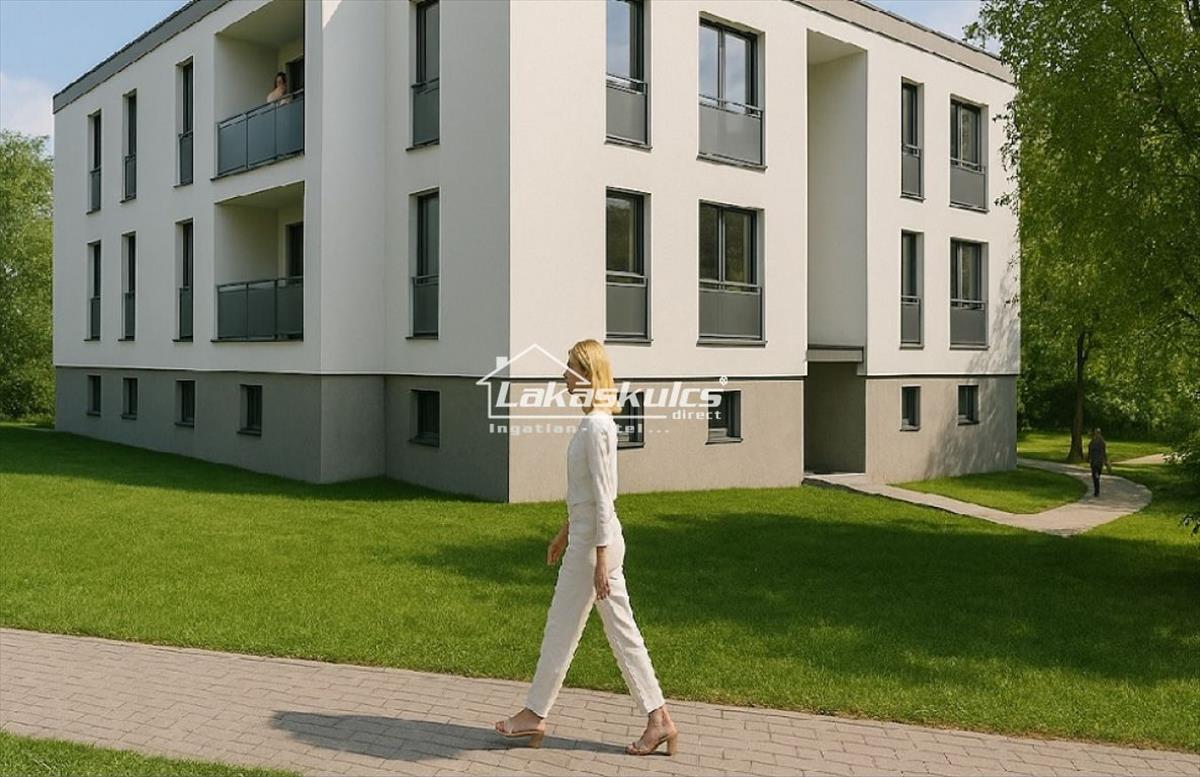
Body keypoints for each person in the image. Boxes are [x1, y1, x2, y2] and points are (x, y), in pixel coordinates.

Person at [494, 339, 679, 756]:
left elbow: (604, 496)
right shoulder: (594, 423)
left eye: (570, 367)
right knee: (616, 632)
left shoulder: (596, 426)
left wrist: (598, 558)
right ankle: (659, 720)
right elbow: (588, 496)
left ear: (587, 373)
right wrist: (564, 533)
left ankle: (535, 714)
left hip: (594, 546)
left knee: (564, 629)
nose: (563, 374)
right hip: (588, 539)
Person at [1087, 427, 1111, 496]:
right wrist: (1106, 461)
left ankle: (1096, 490)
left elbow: (1090, 452)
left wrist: (1088, 458)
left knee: (1095, 476)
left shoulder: (1092, 442)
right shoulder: (1102, 442)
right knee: (1097, 475)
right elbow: (1104, 452)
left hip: (1095, 461)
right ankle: (1097, 490)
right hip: (1099, 462)